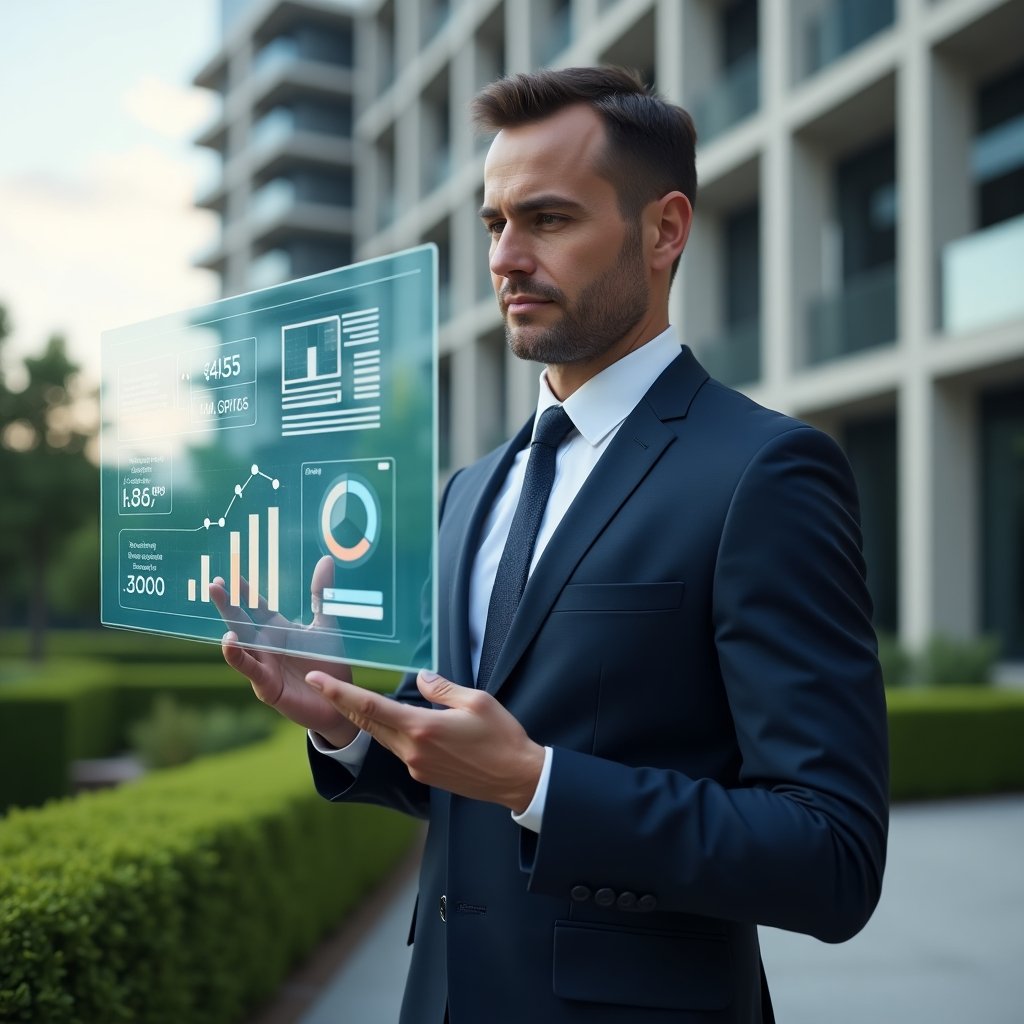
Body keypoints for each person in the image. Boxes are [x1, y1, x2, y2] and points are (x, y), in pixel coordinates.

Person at [218, 66, 889, 1024]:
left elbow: (832, 857)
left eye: (551, 220)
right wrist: (344, 715)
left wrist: (540, 783)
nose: (506, 258)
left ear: (665, 231)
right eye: (496, 224)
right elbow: (460, 765)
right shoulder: (470, 491)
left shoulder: (767, 473)